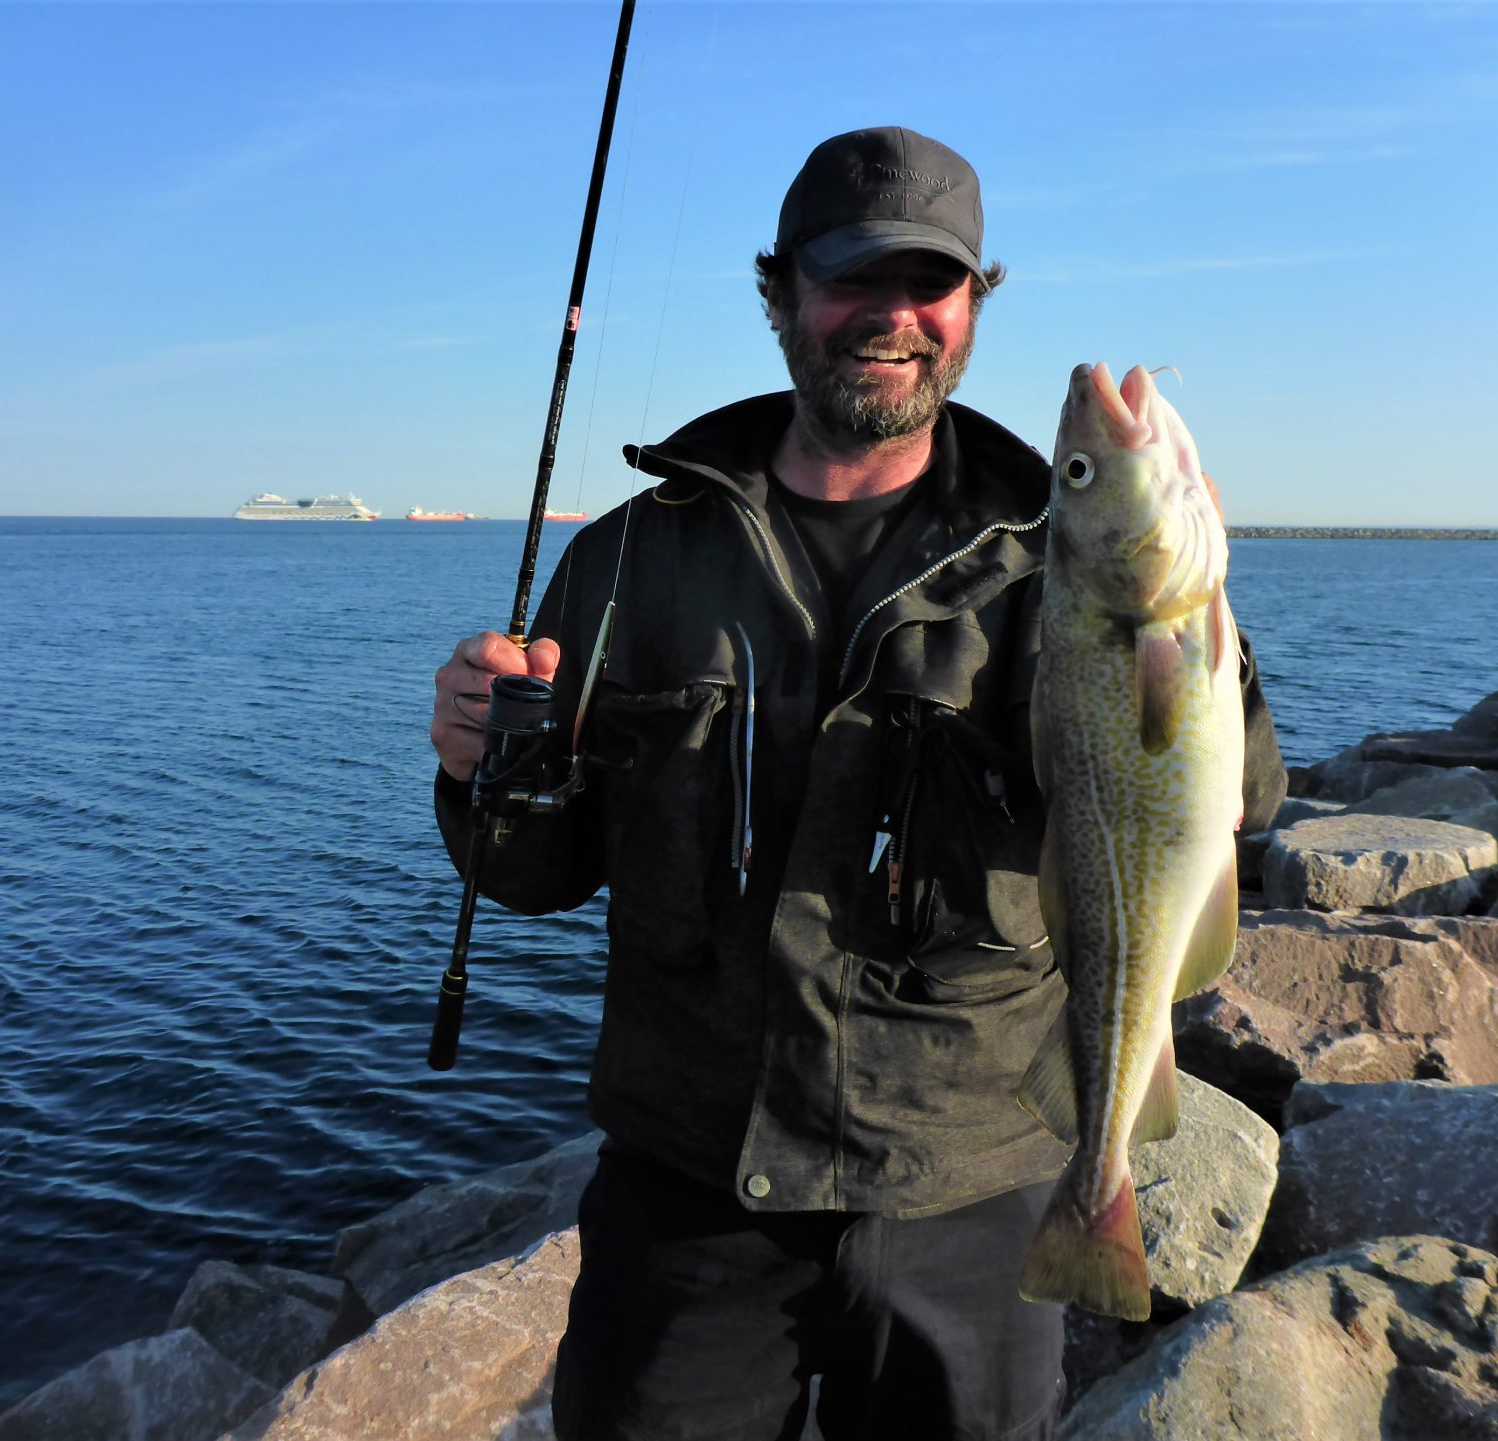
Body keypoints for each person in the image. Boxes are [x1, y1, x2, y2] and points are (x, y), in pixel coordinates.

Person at [431, 127, 1286, 1441]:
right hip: (690, 1191)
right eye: (851, 277)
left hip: (975, 1189)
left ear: (970, 308)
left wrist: (1204, 626)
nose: (894, 316)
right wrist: (476, 764)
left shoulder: (1043, 561)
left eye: (931, 283)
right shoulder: (634, 558)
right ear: (782, 295)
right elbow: (532, 871)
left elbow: (1239, 800)